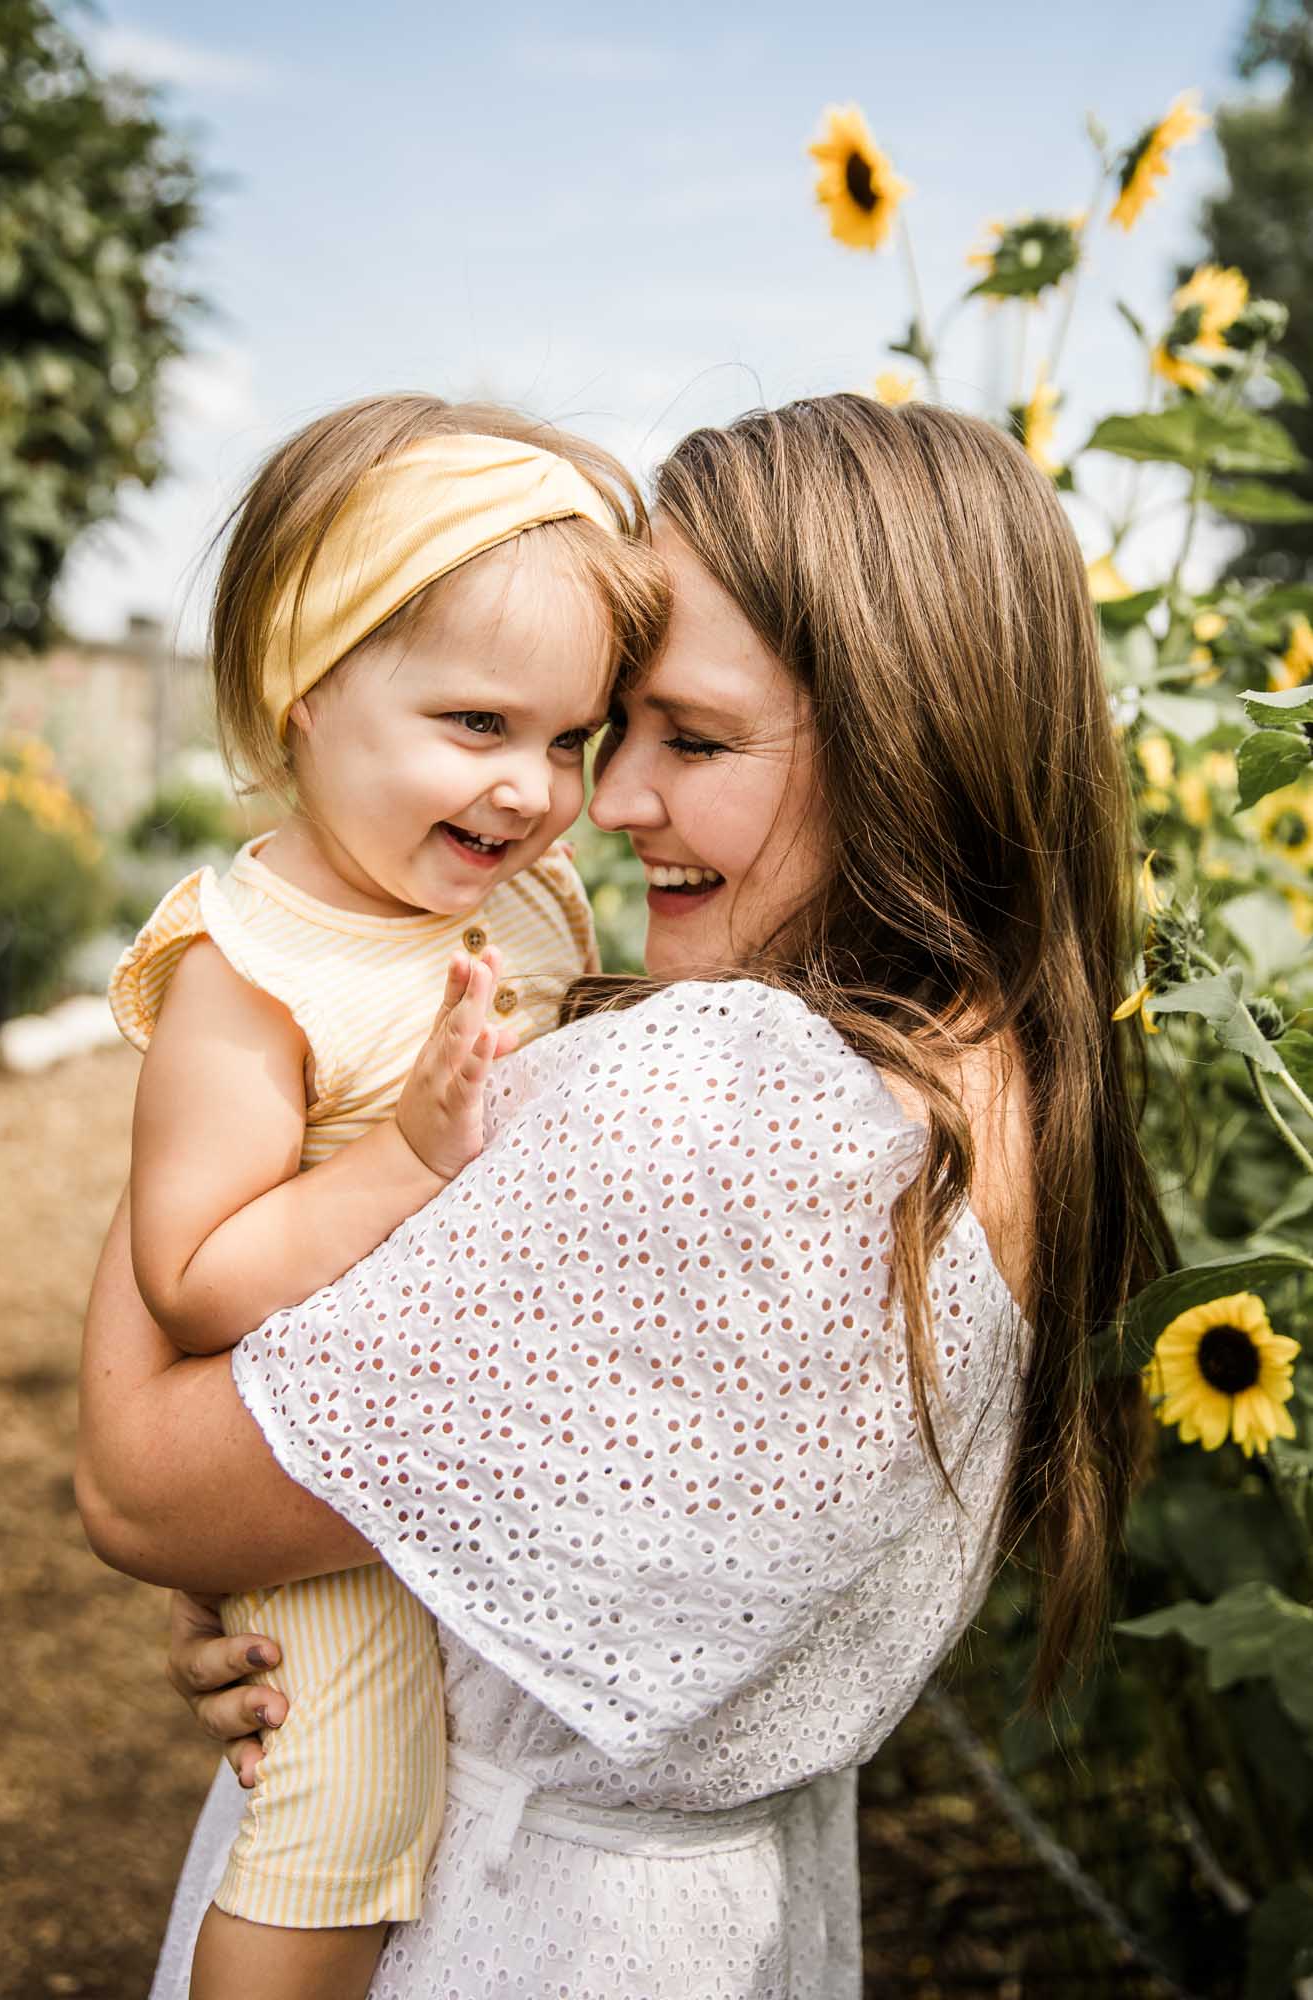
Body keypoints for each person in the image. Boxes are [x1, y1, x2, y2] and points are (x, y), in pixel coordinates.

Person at [78, 393, 1167, 2000]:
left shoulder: (726, 1104)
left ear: (912, 739)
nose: (604, 803)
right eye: (615, 733)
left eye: (692, 740)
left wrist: (240, 1026)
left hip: (493, 1927)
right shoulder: (995, 1077)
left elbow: (140, 1484)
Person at [102, 392, 667, 1999]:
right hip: (313, 1469)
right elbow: (194, 1278)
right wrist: (405, 1157)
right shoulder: (253, 973)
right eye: (477, 726)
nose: (535, 792)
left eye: (569, 741)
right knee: (344, 1807)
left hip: (441, 1442)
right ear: (306, 692)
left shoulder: (521, 899)